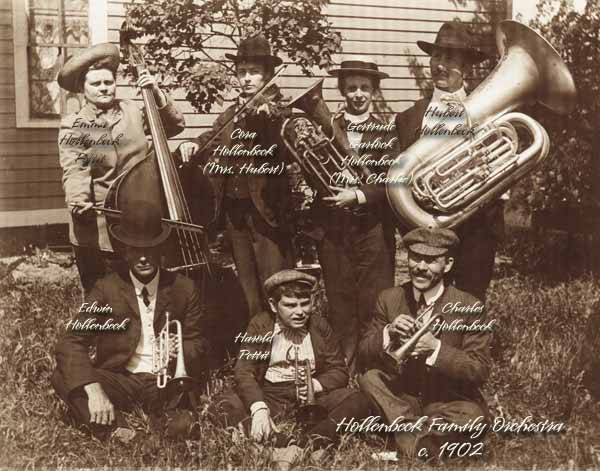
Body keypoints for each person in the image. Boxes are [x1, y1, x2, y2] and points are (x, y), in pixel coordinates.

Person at [50, 201, 212, 441]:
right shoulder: (106, 288)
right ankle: (119, 429)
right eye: (135, 249)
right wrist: (93, 389)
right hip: (122, 379)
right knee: (62, 376)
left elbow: (197, 341)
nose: (143, 257)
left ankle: (138, 430)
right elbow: (70, 342)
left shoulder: (184, 288)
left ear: (162, 250)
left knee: (181, 428)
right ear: (124, 251)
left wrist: (179, 352)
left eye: (151, 248)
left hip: (166, 383)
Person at [178, 35, 293, 319]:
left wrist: (271, 119)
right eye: (242, 72)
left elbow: (287, 146)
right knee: (247, 286)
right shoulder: (232, 113)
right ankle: (258, 342)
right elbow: (212, 137)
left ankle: (285, 347)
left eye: (253, 72)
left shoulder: (282, 110)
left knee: (274, 283)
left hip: (266, 213)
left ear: (267, 74)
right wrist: (191, 142)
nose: (246, 78)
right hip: (235, 214)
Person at [57, 42, 185, 294]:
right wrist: (79, 200)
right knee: (102, 294)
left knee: (139, 291)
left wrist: (156, 92)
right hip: (99, 224)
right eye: (96, 84)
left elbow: (172, 127)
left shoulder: (131, 111)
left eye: (109, 82)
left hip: (139, 219)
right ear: (83, 88)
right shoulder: (75, 124)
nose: (104, 88)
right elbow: (74, 167)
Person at [212, 269, 372, 469]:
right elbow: (244, 371)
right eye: (290, 305)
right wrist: (259, 408)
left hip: (311, 397)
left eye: (305, 304)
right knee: (223, 403)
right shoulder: (260, 325)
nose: (300, 312)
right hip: (270, 394)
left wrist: (316, 385)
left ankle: (305, 442)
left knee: (357, 399)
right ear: (273, 305)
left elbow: (339, 370)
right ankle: (285, 442)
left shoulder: (319, 325)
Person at [358, 227, 492, 462]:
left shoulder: (469, 306)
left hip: (445, 401)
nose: (420, 267)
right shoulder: (389, 298)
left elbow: (479, 369)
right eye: (415, 257)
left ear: (447, 264)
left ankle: (406, 439)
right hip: (403, 396)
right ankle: (426, 444)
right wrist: (387, 333)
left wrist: (436, 350)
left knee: (473, 416)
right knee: (369, 378)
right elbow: (363, 354)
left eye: (430, 261)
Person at [394, 21, 504, 301]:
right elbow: (399, 178)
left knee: (468, 303)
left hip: (475, 228)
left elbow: (504, 167)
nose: (441, 65)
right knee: (425, 300)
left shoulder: (489, 112)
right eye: (437, 57)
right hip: (426, 227)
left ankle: (465, 347)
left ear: (466, 67)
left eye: (451, 59)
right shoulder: (407, 118)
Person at [310, 56, 397, 376]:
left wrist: (358, 193)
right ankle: (343, 372)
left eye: (364, 88)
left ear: (374, 91)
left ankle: (373, 368)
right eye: (351, 88)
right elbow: (311, 172)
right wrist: (329, 180)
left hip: (373, 227)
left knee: (374, 301)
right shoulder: (326, 127)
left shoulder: (388, 132)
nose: (358, 94)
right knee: (340, 300)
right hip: (335, 227)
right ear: (341, 91)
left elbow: (393, 182)